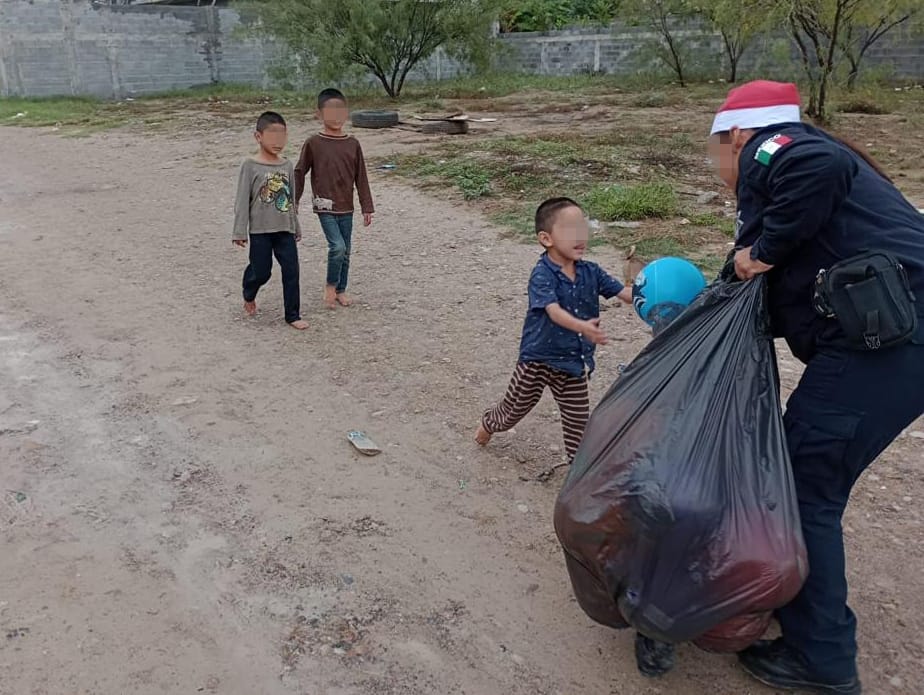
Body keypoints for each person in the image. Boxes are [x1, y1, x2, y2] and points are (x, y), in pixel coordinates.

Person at [704, 80, 924, 694]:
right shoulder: (799, 189)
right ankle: (787, 596)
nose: (718, 167)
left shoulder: (777, 147)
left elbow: (814, 161)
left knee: (803, 489)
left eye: (714, 151)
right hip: (889, 343)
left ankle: (823, 662)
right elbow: (789, 295)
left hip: (890, 345)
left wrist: (763, 249)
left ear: (736, 135)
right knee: (805, 479)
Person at [475, 197, 633, 463]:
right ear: (546, 239)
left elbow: (623, 293)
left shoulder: (592, 272)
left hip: (572, 363)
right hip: (537, 359)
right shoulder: (542, 274)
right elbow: (553, 311)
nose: (580, 235)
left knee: (579, 424)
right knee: (512, 411)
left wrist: (651, 291)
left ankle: (579, 471)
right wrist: (582, 326)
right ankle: (489, 424)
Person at [293, 88, 375, 310]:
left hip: (346, 206)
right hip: (324, 205)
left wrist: (367, 206)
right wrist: (294, 200)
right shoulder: (314, 143)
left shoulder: (352, 143)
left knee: (346, 250)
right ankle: (330, 286)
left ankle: (341, 290)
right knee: (337, 246)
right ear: (319, 114)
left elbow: (361, 176)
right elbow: (300, 171)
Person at [232, 111, 307, 330]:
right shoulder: (250, 165)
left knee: (292, 270)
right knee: (262, 270)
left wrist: (296, 226)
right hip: (260, 231)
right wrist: (239, 231)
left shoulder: (286, 165)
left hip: (284, 228)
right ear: (258, 136)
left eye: (281, 137)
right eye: (272, 136)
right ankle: (249, 290)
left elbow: (291, 199)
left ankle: (292, 314)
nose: (277, 143)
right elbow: (242, 200)